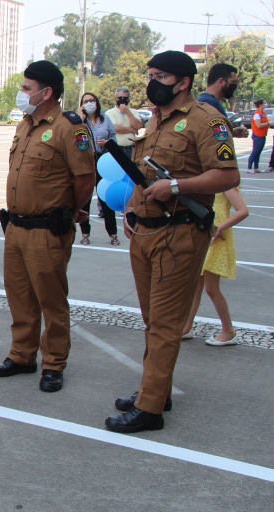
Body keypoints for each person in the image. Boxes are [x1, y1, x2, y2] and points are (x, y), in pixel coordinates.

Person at [107, 50, 240, 433]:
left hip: (179, 233)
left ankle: (150, 409)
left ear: (183, 82)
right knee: (152, 320)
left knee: (165, 323)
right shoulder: (156, 121)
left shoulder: (206, 121)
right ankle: (156, 387)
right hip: (146, 231)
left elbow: (227, 175)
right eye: (150, 74)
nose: (152, 82)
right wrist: (132, 209)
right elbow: (141, 172)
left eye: (161, 76)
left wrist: (177, 186)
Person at [0, 60, 96, 392]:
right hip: (16, 227)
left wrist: (72, 209)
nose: (21, 93)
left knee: (51, 300)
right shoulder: (25, 125)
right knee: (19, 297)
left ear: (46, 93)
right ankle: (22, 355)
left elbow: (85, 178)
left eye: (26, 88)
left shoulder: (69, 126)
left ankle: (53, 363)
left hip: (48, 229)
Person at [182, 187, 249, 345]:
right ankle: (187, 327)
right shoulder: (208, 180)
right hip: (204, 232)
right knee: (195, 286)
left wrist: (221, 226)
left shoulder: (225, 184)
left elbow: (243, 211)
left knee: (211, 288)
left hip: (217, 238)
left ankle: (229, 331)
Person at [77, 92, 119, 246]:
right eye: (86, 101)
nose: (89, 103)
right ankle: (85, 233)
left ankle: (113, 233)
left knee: (105, 197)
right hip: (86, 161)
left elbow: (114, 136)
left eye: (91, 100)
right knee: (85, 198)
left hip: (103, 161)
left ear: (96, 102)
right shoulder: (80, 122)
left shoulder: (105, 119)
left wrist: (107, 143)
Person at [198, 63, 249, 139]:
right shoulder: (210, 103)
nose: (234, 86)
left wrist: (232, 132)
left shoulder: (205, 100)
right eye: (233, 82)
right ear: (221, 82)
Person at [104, 87, 143, 160]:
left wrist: (127, 112)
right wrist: (131, 130)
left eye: (125, 98)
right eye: (120, 98)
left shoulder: (133, 111)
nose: (122, 100)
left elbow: (138, 126)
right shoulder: (110, 113)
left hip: (131, 149)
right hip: (117, 148)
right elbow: (115, 128)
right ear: (115, 99)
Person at [246, 99, 268, 173]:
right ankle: (249, 168)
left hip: (263, 135)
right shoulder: (257, 114)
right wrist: (268, 123)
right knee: (255, 151)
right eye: (264, 104)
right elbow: (259, 125)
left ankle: (256, 167)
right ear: (260, 105)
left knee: (259, 151)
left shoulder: (263, 113)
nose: (265, 105)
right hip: (257, 135)